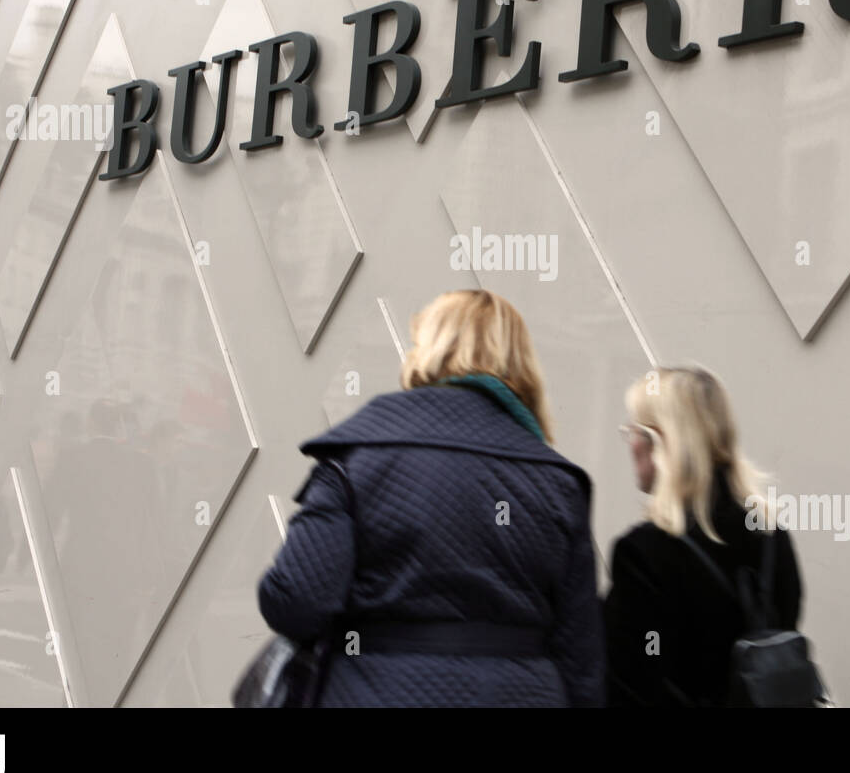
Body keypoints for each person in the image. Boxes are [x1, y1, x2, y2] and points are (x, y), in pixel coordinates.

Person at [257, 289, 603, 706]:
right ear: (520, 362)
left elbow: (296, 599)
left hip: (376, 690)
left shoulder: (359, 454)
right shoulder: (558, 482)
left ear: (429, 348)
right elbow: (582, 654)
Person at [603, 365, 802, 706]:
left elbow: (631, 681)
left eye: (633, 430)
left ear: (659, 442)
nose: (630, 442)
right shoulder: (770, 535)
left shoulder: (645, 552)